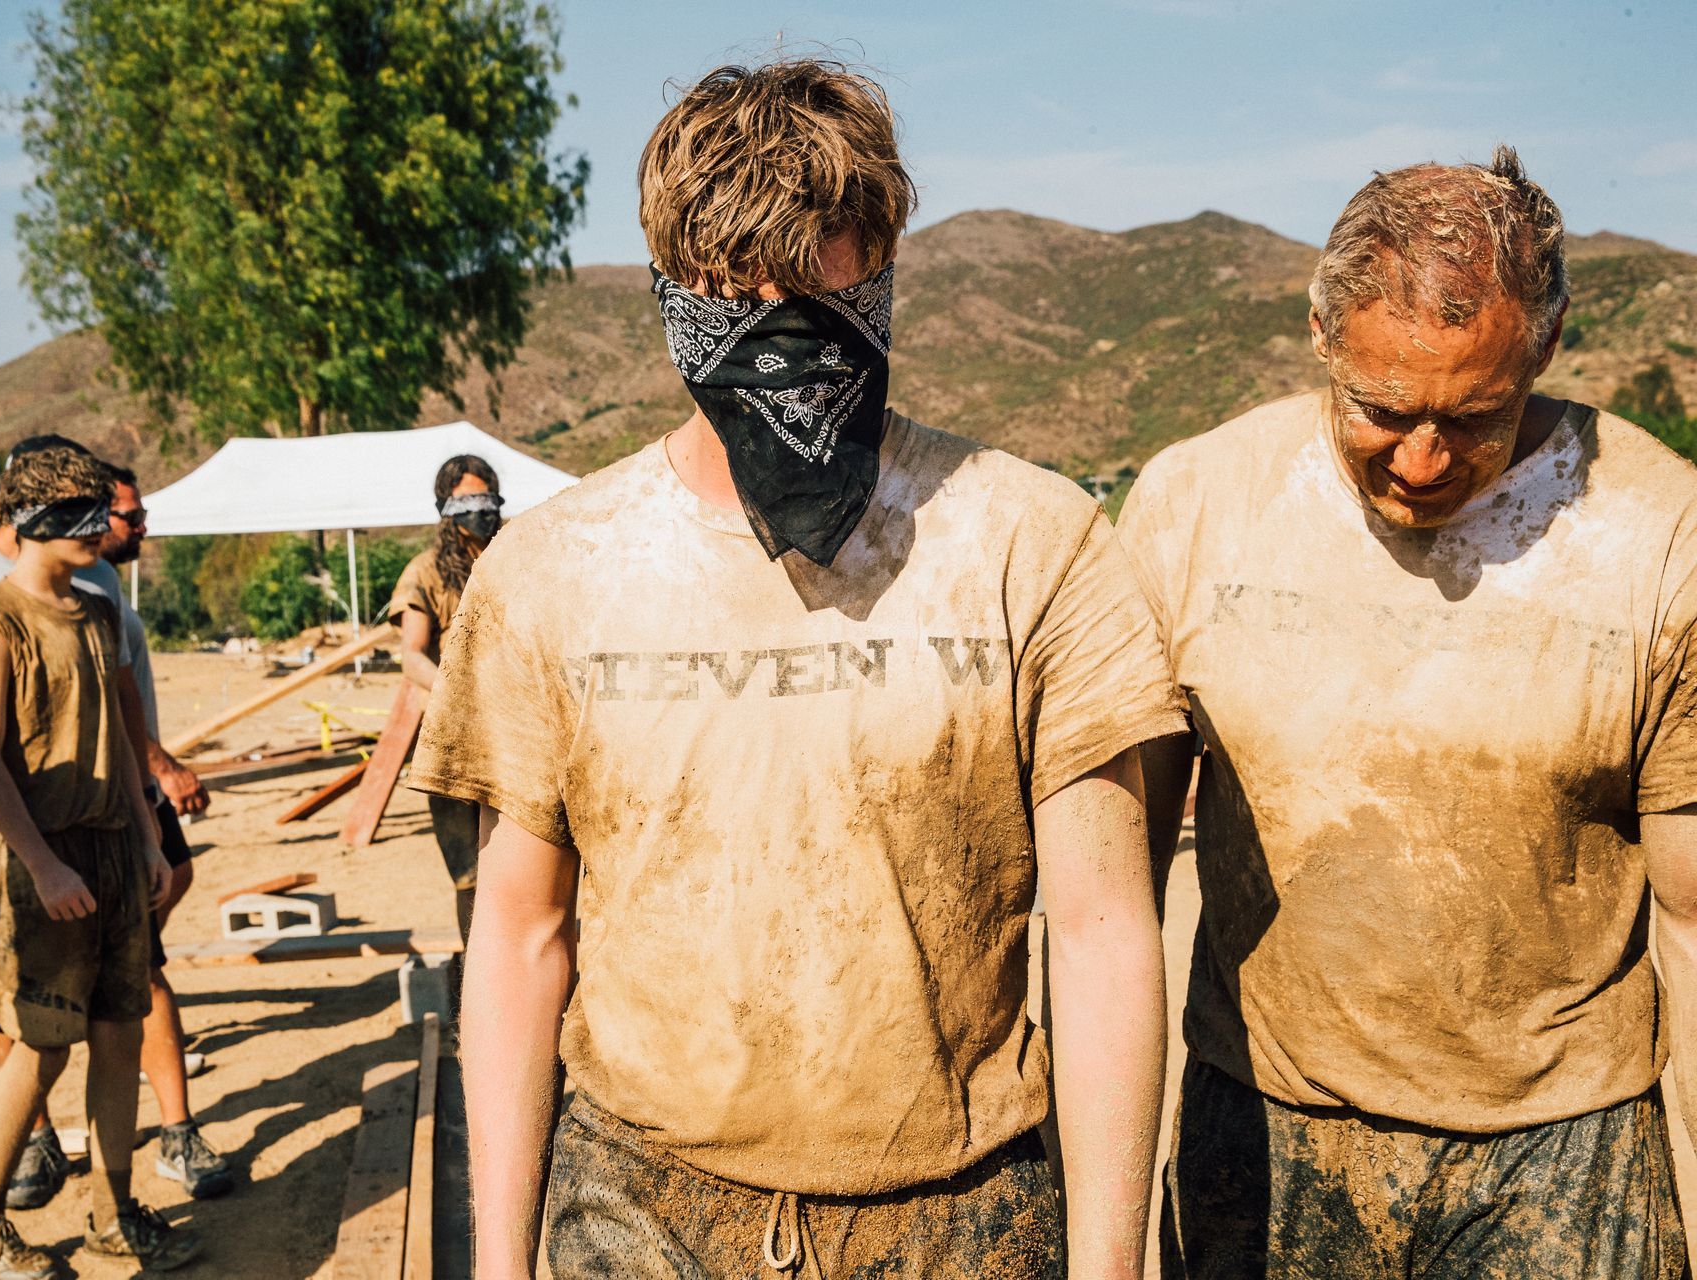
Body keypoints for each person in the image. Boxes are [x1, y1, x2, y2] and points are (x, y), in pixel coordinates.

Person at [407, 60, 1186, 1279]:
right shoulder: (554, 572)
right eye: (739, 296)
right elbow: (517, 936)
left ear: (880, 262)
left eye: (824, 282)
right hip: (643, 1205)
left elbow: (1099, 930)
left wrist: (1108, 1266)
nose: (788, 339)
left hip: (960, 1214)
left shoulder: (1030, 541)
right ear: (677, 294)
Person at [1121, 147, 1697, 1278]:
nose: (1426, 460)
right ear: (1322, 333)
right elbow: (1114, 895)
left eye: (1477, 415)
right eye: (1385, 410)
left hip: (1561, 1150)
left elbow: (1694, 917)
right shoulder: (1195, 507)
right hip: (1264, 1128)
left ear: (1547, 344)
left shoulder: (1658, 534)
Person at [0, 434, 184, 1210]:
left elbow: (122, 736)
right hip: (36, 862)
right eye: (84, 513)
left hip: (113, 847)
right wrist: (44, 866)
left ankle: (114, 1214)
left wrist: (148, 837)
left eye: (104, 511)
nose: (103, 527)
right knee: (41, 1048)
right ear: (33, 518)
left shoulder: (97, 611)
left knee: (120, 1034)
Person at [97, 465, 232, 1200]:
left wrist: (157, 769)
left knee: (173, 885)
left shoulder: (108, 589)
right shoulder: (71, 592)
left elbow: (129, 699)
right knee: (139, 972)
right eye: (128, 516)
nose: (141, 526)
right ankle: (169, 1130)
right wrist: (160, 766)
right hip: (105, 802)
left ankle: (172, 1126)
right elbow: (112, 710)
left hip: (137, 791)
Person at [389, 454, 502, 946]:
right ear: (446, 507)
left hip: (516, 736)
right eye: (467, 500)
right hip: (455, 743)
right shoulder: (426, 571)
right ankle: (475, 992)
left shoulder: (515, 555)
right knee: (472, 878)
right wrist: (460, 693)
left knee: (529, 868)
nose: (480, 510)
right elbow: (411, 656)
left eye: (486, 498)